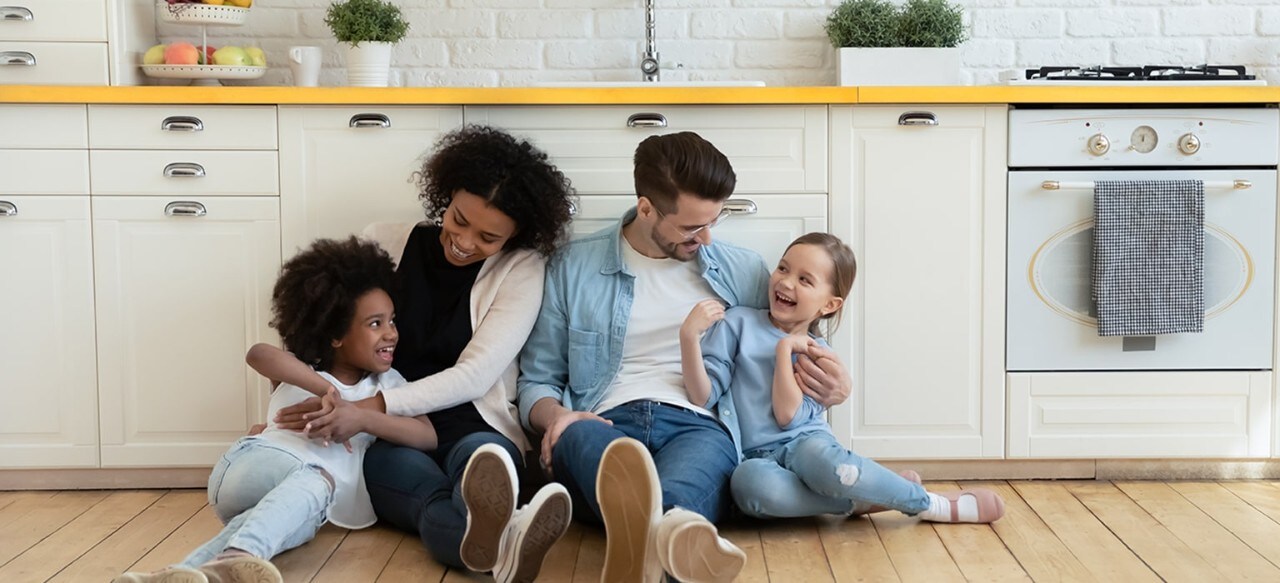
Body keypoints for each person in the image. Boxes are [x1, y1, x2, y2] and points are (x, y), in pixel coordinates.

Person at [517, 132, 853, 583]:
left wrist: (835, 388)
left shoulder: (742, 270)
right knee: (578, 438)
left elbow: (794, 339)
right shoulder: (573, 267)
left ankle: (643, 538)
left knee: (681, 494)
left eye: (714, 221)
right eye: (693, 227)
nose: (708, 236)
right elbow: (536, 379)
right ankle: (667, 546)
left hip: (701, 424)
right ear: (647, 208)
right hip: (604, 421)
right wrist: (556, 416)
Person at [244, 125, 576, 582]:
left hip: (467, 421)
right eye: (459, 220)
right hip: (387, 433)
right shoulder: (385, 239)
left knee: (484, 461)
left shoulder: (522, 268)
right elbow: (322, 329)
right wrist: (279, 427)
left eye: (488, 237)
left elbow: (475, 377)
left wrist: (365, 408)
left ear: (514, 236)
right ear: (447, 194)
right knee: (427, 500)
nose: (465, 242)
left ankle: (494, 526)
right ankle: (508, 540)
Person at [113, 237, 437, 583]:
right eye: (375, 324)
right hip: (253, 466)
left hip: (303, 507)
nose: (391, 333)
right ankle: (240, 560)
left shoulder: (387, 386)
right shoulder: (305, 370)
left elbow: (427, 435)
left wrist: (360, 416)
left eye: (392, 321)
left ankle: (172, 576)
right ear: (335, 335)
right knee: (316, 481)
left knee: (261, 526)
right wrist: (328, 392)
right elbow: (258, 354)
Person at [682, 232, 1006, 524]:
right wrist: (689, 338)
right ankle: (865, 500)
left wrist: (784, 351)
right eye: (783, 268)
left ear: (829, 304)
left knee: (831, 468)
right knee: (748, 486)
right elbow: (703, 396)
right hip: (753, 456)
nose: (786, 282)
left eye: (805, 280)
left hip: (805, 444)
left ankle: (930, 504)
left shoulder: (820, 354)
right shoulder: (738, 322)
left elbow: (787, 417)